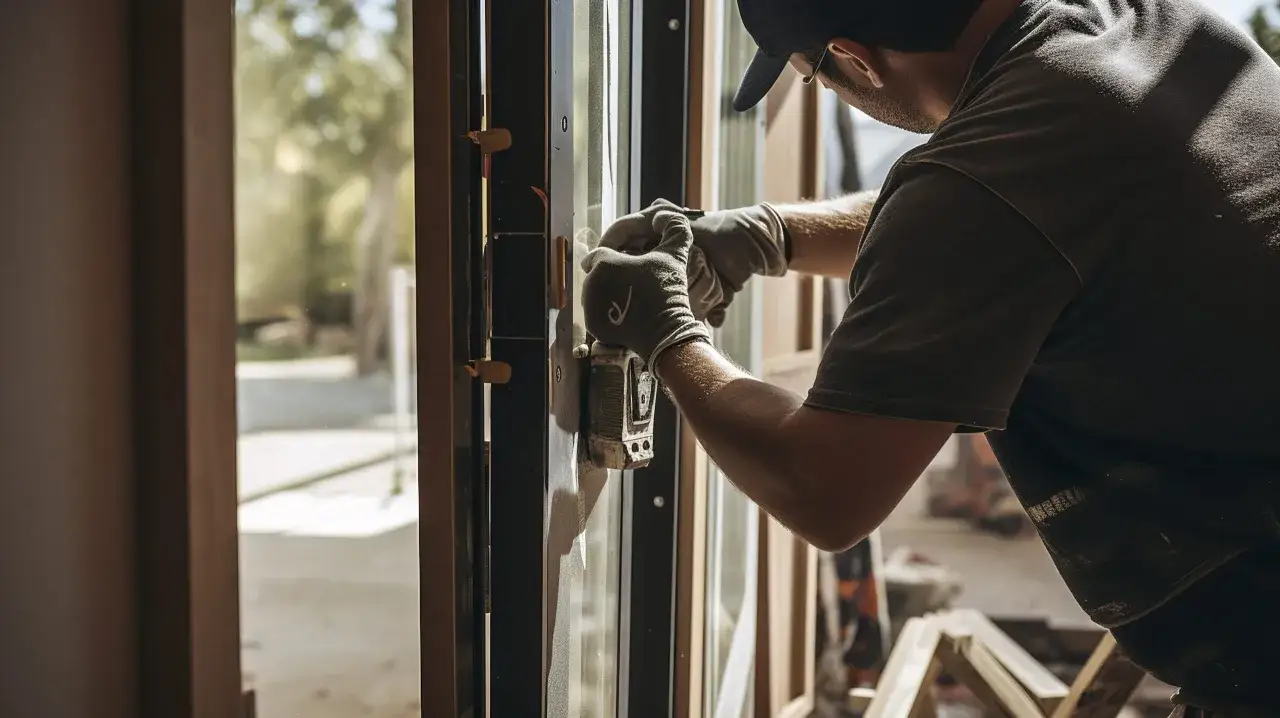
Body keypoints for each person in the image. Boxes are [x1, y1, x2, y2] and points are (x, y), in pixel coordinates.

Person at [579, 0, 1280, 714]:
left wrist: (669, 336)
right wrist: (769, 235)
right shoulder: (1160, 32)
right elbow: (997, 219)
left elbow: (824, 488)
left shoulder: (988, 181)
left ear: (854, 58)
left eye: (813, 75)